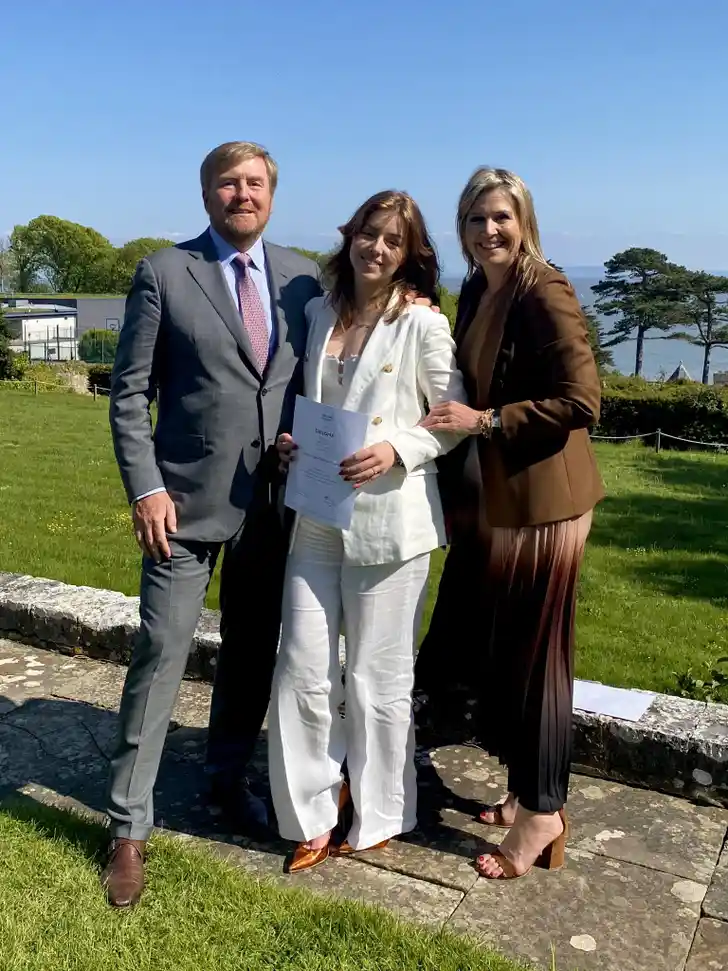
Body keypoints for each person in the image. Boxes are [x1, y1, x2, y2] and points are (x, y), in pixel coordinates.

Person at [103, 141, 322, 907]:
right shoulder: (165, 272)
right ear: (206, 195)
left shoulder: (303, 278)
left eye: (255, 182)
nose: (243, 193)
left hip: (272, 505)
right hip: (182, 506)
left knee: (252, 653)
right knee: (161, 653)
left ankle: (227, 780)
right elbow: (129, 395)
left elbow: (315, 378)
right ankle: (128, 825)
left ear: (272, 194)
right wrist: (146, 489)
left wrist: (301, 439)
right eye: (228, 183)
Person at [269, 190, 466, 872]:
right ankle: (311, 813)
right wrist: (291, 445)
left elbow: (451, 415)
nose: (376, 248)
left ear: (410, 254)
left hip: (391, 521)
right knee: (300, 666)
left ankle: (381, 809)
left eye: (392, 240)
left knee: (379, 679)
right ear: (348, 235)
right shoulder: (318, 311)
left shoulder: (422, 323)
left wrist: (397, 449)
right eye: (368, 233)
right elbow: (312, 404)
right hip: (317, 510)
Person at [416, 167, 604, 880]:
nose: (489, 230)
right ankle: (525, 791)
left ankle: (543, 813)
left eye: (501, 216)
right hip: (496, 505)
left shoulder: (543, 290)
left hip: (545, 505)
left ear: (524, 220)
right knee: (502, 656)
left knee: (539, 664)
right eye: (476, 218)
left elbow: (582, 399)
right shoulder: (478, 291)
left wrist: (488, 421)